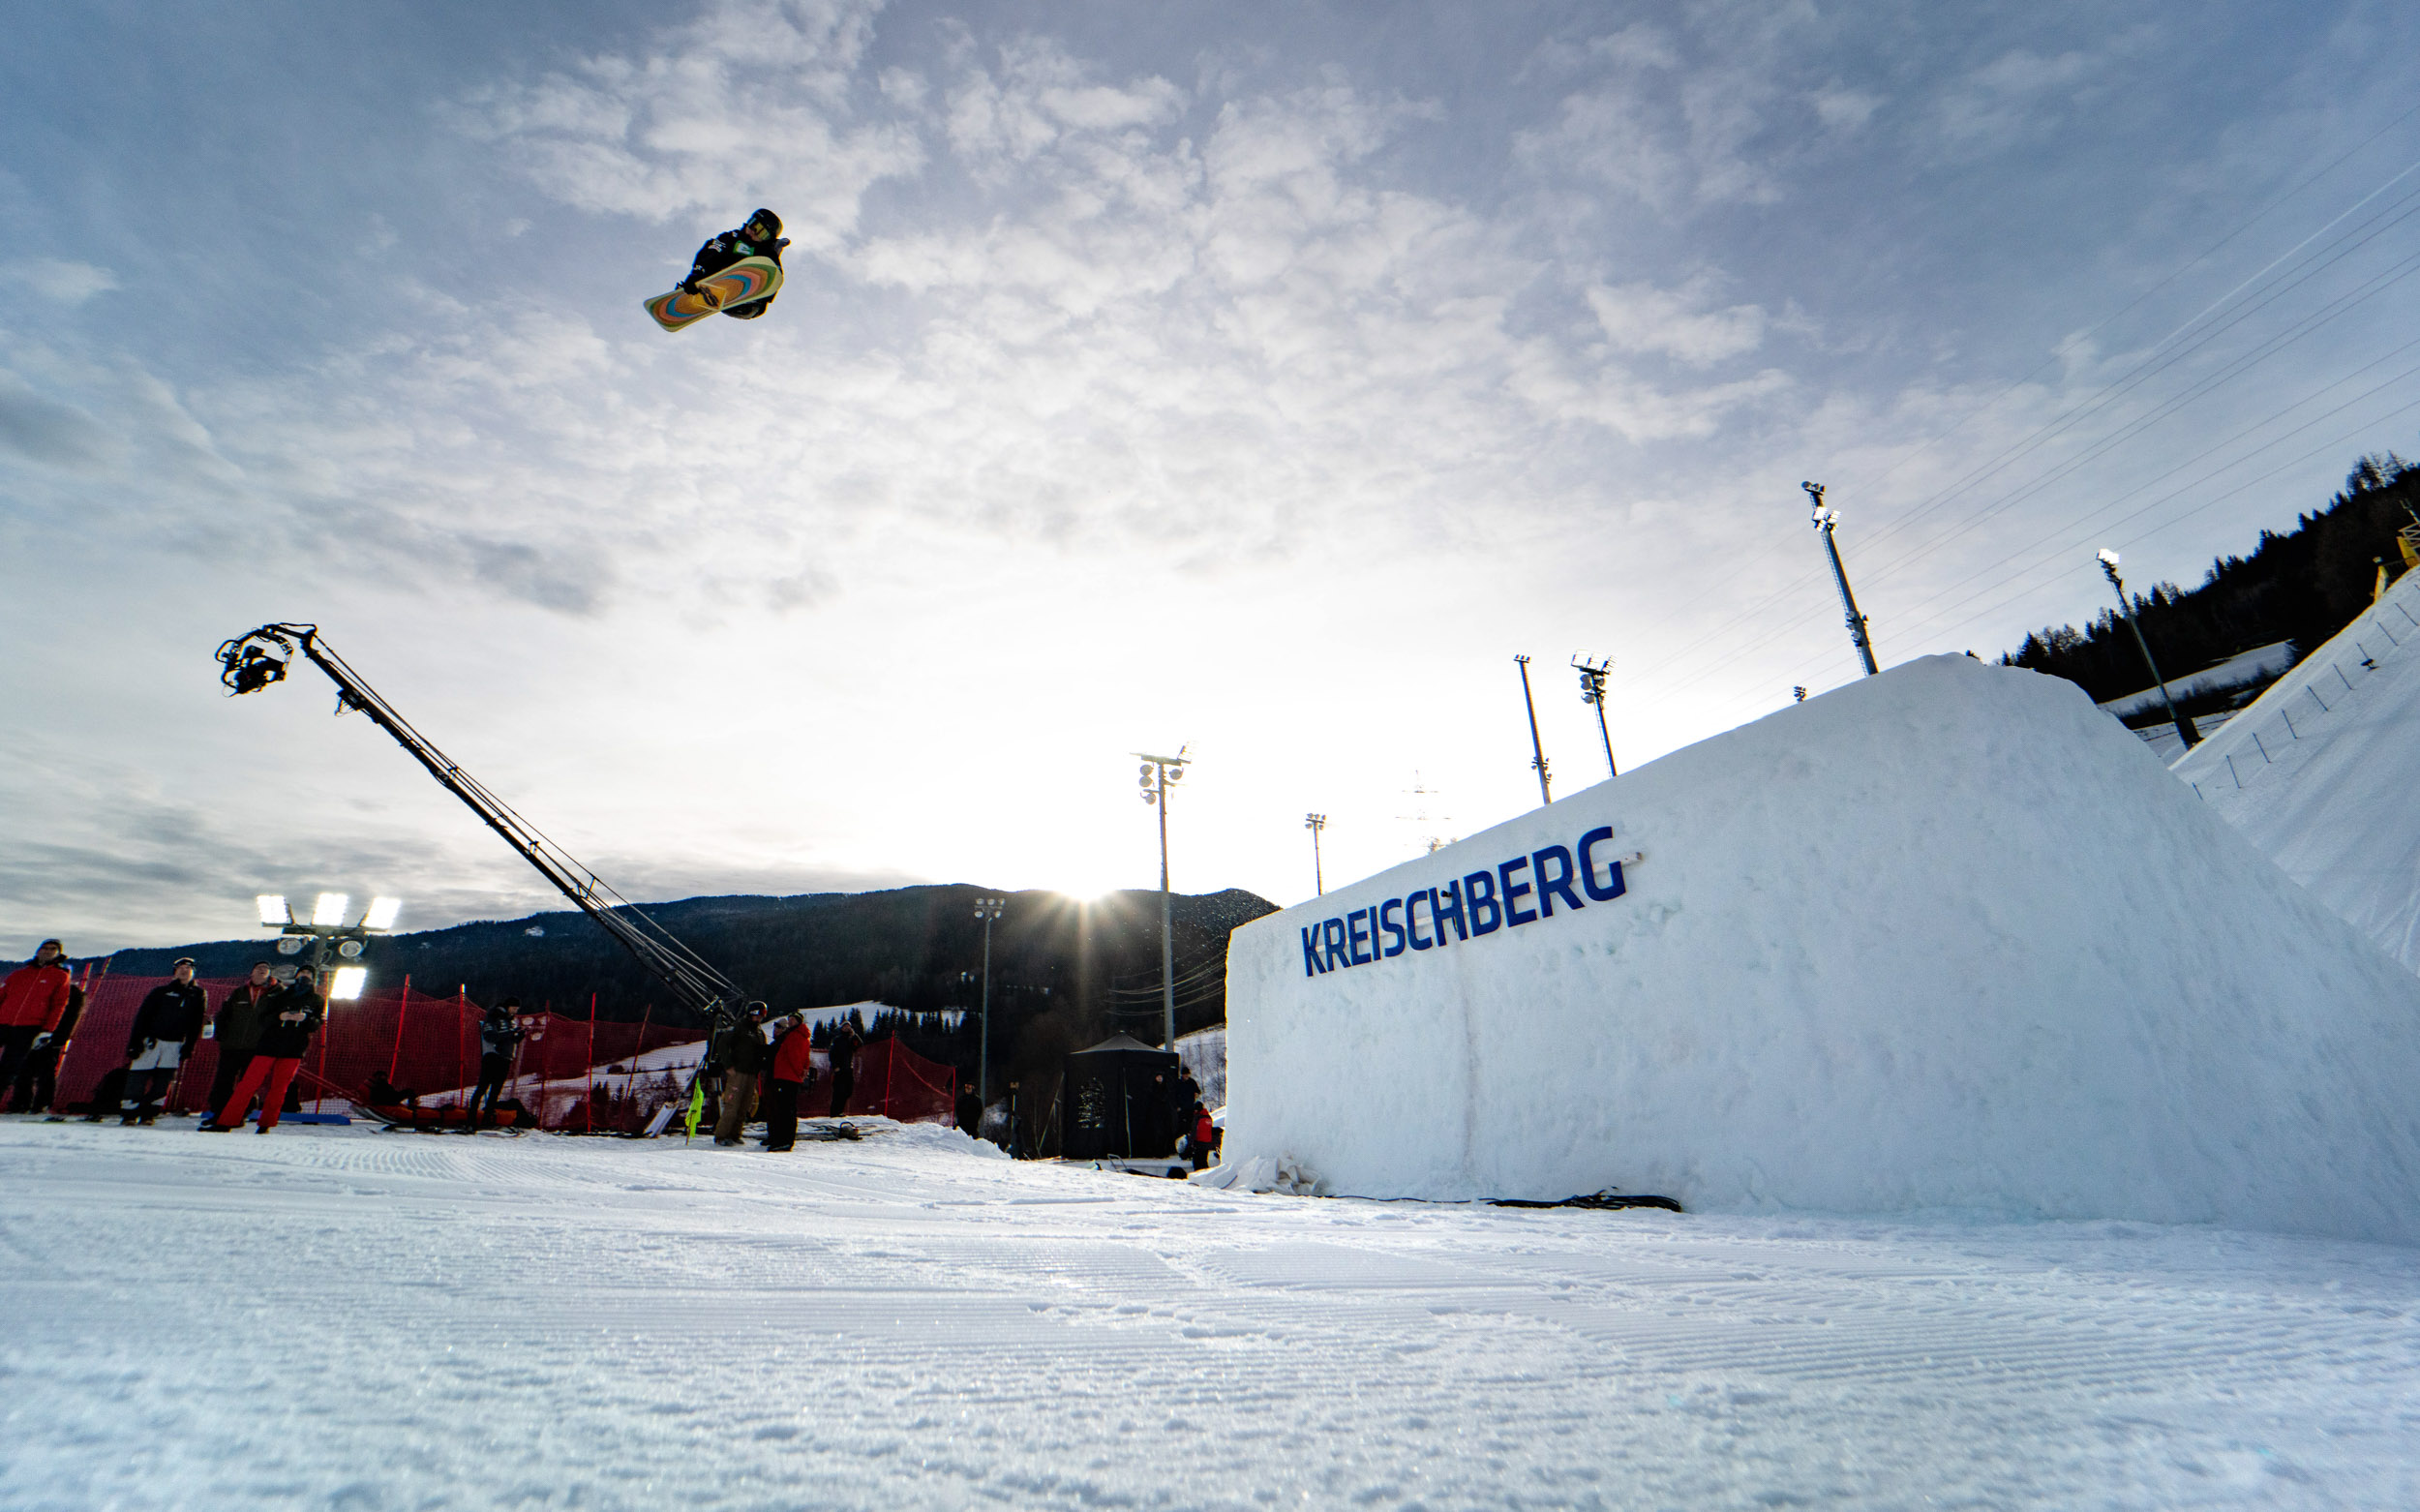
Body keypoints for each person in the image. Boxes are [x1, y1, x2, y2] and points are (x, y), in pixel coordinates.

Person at [210, 968, 323, 1134]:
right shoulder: (279, 996)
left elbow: (317, 1023)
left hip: (294, 1048)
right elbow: (263, 1019)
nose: (304, 977)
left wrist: (306, 1019)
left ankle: (266, 1123)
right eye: (302, 974)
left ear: (314, 979)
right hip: (269, 1045)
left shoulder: (316, 1000)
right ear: (296, 976)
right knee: (248, 1083)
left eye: (309, 975)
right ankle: (227, 1120)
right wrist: (280, 1017)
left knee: (280, 1087)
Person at [119, 958, 206, 1125]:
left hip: (174, 1044)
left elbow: (196, 1023)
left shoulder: (197, 994)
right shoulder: (160, 992)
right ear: (174, 971)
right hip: (151, 1041)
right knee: (137, 1078)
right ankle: (129, 1113)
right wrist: (135, 1042)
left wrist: (190, 1046)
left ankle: (149, 1114)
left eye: (188, 968)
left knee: (163, 1081)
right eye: (181, 967)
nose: (184, 971)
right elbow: (142, 1017)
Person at [678, 208, 789, 318]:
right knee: (717, 250)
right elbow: (711, 250)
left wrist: (762, 298)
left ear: (767, 239)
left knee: (764, 261)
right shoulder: (732, 237)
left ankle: (747, 300)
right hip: (721, 273)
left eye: (761, 233)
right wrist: (697, 272)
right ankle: (697, 287)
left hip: (750, 299)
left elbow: (775, 279)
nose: (753, 232)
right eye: (753, 225)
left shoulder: (767, 253)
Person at [0, 941, 73, 1104]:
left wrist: (48, 1029)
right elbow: (2, 995)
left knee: (9, 1067)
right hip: (3, 1022)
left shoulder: (60, 976)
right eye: (44, 948)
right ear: (38, 951)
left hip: (28, 1027)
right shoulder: (19, 974)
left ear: (58, 953)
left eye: (52, 949)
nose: (47, 952)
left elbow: (59, 1005)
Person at [204, 963, 275, 1125]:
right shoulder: (239, 992)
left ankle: (241, 1113)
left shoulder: (276, 993)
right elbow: (223, 1014)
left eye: (266, 968)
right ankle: (218, 1114)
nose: (262, 970)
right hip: (232, 1045)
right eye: (259, 968)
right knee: (223, 1081)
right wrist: (221, 1035)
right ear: (252, 972)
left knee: (248, 1083)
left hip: (257, 1047)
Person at [14, 976, 82, 1116]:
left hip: (53, 1036)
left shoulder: (72, 992)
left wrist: (60, 1037)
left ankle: (42, 1104)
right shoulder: (40, 986)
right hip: (31, 1031)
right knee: (23, 1068)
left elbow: (71, 1016)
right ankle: (21, 1102)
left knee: (46, 1070)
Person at [711, 1002, 770, 1147]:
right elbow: (722, 1045)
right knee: (732, 1105)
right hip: (738, 1072)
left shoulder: (759, 1032)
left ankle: (735, 1133)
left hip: (752, 1073)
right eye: (758, 1016)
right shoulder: (739, 1027)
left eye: (761, 1016)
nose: (759, 1019)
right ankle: (722, 1135)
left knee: (745, 1106)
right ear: (752, 1014)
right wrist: (728, 1065)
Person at [468, 999, 527, 1132]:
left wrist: (518, 1036)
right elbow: (491, 1036)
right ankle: (471, 1119)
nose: (515, 1011)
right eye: (513, 1008)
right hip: (493, 1057)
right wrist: (511, 1033)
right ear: (507, 1007)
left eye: (517, 1009)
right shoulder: (494, 1017)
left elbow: (509, 1040)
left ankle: (487, 1118)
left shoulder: (509, 1021)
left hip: (505, 1058)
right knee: (483, 1088)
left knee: (496, 1090)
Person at [761, 1013, 814, 1152]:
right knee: (785, 1109)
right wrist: (803, 1071)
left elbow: (794, 1057)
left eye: (793, 1020)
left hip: (787, 1077)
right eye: (789, 1020)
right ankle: (782, 1139)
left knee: (785, 1110)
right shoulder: (800, 1036)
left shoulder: (794, 1036)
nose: (790, 1022)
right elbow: (805, 1058)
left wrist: (798, 1072)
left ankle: (784, 1140)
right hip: (789, 1076)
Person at [826, 1020, 861, 1117]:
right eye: (845, 1026)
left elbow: (859, 1045)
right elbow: (832, 1054)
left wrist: (854, 1035)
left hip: (849, 1069)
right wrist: (835, 1067)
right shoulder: (837, 1040)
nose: (847, 1028)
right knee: (838, 1092)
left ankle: (840, 1111)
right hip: (839, 1069)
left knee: (848, 1091)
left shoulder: (851, 1039)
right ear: (841, 1028)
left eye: (848, 1027)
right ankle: (835, 1113)